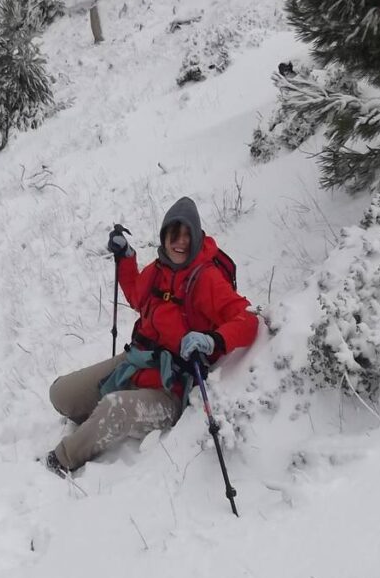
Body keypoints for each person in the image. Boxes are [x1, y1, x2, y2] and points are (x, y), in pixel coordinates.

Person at [44, 196, 258, 476]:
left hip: (171, 390)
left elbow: (247, 319)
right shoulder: (158, 270)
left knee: (115, 408)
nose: (180, 242)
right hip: (136, 364)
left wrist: (212, 340)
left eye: (186, 235)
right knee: (61, 394)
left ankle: (62, 460)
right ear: (164, 236)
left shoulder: (206, 278)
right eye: (174, 234)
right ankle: (93, 420)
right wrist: (126, 258)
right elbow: (136, 295)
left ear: (195, 237)